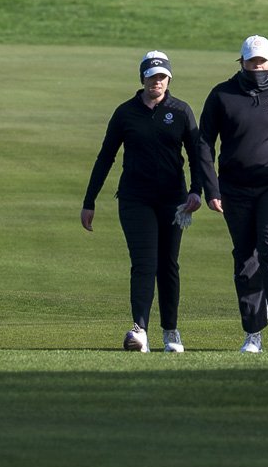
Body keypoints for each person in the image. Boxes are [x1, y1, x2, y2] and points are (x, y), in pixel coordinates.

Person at [81, 50, 204, 352]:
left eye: (162, 76)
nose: (156, 82)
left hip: (173, 200)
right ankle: (140, 330)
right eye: (151, 76)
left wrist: (196, 191)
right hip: (135, 199)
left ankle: (171, 332)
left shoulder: (182, 110)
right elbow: (105, 157)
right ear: (143, 78)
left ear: (169, 79)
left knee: (168, 265)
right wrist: (89, 200)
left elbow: (198, 156)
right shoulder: (126, 113)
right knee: (144, 263)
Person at [197, 35, 268, 353]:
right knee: (246, 258)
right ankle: (252, 333)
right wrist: (211, 188)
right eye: (252, 62)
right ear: (242, 62)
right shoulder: (222, 95)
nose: (257, 67)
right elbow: (204, 144)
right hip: (234, 189)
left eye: (262, 61)